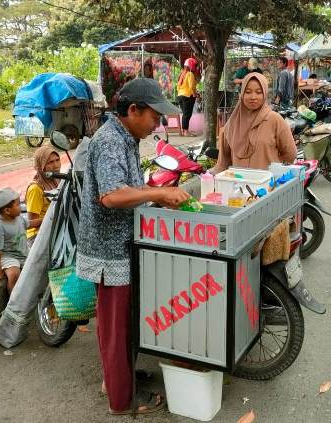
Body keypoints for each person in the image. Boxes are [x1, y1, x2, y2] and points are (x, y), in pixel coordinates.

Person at [75, 78, 190, 415]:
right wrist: (158, 193)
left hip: (124, 244)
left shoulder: (127, 137)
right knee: (115, 329)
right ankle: (121, 401)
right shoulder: (110, 141)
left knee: (125, 323)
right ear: (133, 110)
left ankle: (118, 378)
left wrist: (155, 195)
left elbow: (128, 187)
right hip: (109, 252)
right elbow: (111, 196)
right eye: (155, 117)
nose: (158, 124)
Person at [211, 72, 296, 174]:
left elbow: (290, 153)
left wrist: (275, 171)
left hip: (268, 186)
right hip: (239, 186)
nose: (253, 97)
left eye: (258, 92)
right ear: (242, 94)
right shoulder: (232, 123)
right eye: (248, 92)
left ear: (264, 94)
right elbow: (224, 159)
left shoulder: (275, 120)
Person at [0, 187, 41, 293]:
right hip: (9, 256)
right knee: (14, 274)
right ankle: (13, 301)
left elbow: (31, 223)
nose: (21, 207)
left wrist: (45, 220)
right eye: (18, 205)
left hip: (23, 252)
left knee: (37, 267)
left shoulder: (19, 219)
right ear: (7, 210)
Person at [25, 146, 61, 245]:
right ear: (41, 166)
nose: (56, 165)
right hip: (37, 236)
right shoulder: (36, 189)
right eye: (50, 162)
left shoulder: (58, 180)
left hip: (54, 229)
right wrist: (54, 218)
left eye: (57, 160)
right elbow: (31, 222)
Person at [176, 57, 198, 137]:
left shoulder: (182, 74)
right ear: (191, 65)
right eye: (195, 65)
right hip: (187, 96)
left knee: (185, 114)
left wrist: (181, 92)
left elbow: (178, 87)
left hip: (180, 96)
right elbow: (192, 86)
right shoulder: (190, 74)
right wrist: (195, 94)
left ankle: (184, 130)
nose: (196, 67)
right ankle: (185, 131)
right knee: (187, 114)